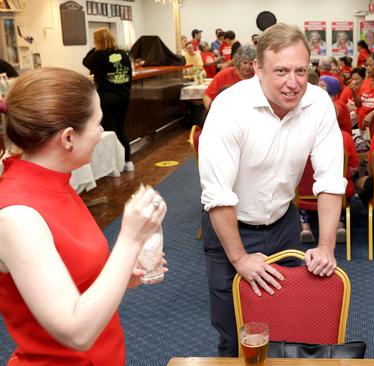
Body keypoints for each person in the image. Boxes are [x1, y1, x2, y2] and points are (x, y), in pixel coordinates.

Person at [0, 67, 167, 365]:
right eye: (98, 123)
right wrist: (129, 240)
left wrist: (123, 272)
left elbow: (74, 276)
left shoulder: (55, 181)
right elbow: (76, 332)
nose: (101, 132)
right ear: (67, 138)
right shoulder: (17, 214)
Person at [198, 23, 347, 357]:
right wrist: (238, 257)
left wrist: (325, 246)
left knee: (287, 324)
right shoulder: (229, 108)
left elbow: (330, 181)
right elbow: (218, 194)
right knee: (235, 333)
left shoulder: (319, 104)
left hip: (283, 224)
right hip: (231, 228)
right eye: (280, 71)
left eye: (300, 71)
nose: (292, 83)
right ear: (257, 69)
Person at [301, 75, 358, 243]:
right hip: (336, 192)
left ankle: (305, 225)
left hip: (304, 191)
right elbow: (354, 168)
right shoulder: (345, 137)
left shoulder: (301, 138)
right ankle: (339, 223)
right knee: (339, 183)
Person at [83, 28, 134, 172]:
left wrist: (96, 48)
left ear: (97, 42)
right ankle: (127, 161)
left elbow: (85, 61)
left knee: (107, 131)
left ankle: (113, 167)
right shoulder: (123, 54)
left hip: (106, 97)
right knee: (120, 128)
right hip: (124, 96)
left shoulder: (97, 56)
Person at [202, 45, 256, 109]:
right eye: (244, 63)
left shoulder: (258, 76)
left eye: (251, 64)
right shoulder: (224, 74)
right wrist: (212, 113)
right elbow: (207, 96)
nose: (247, 67)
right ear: (238, 61)